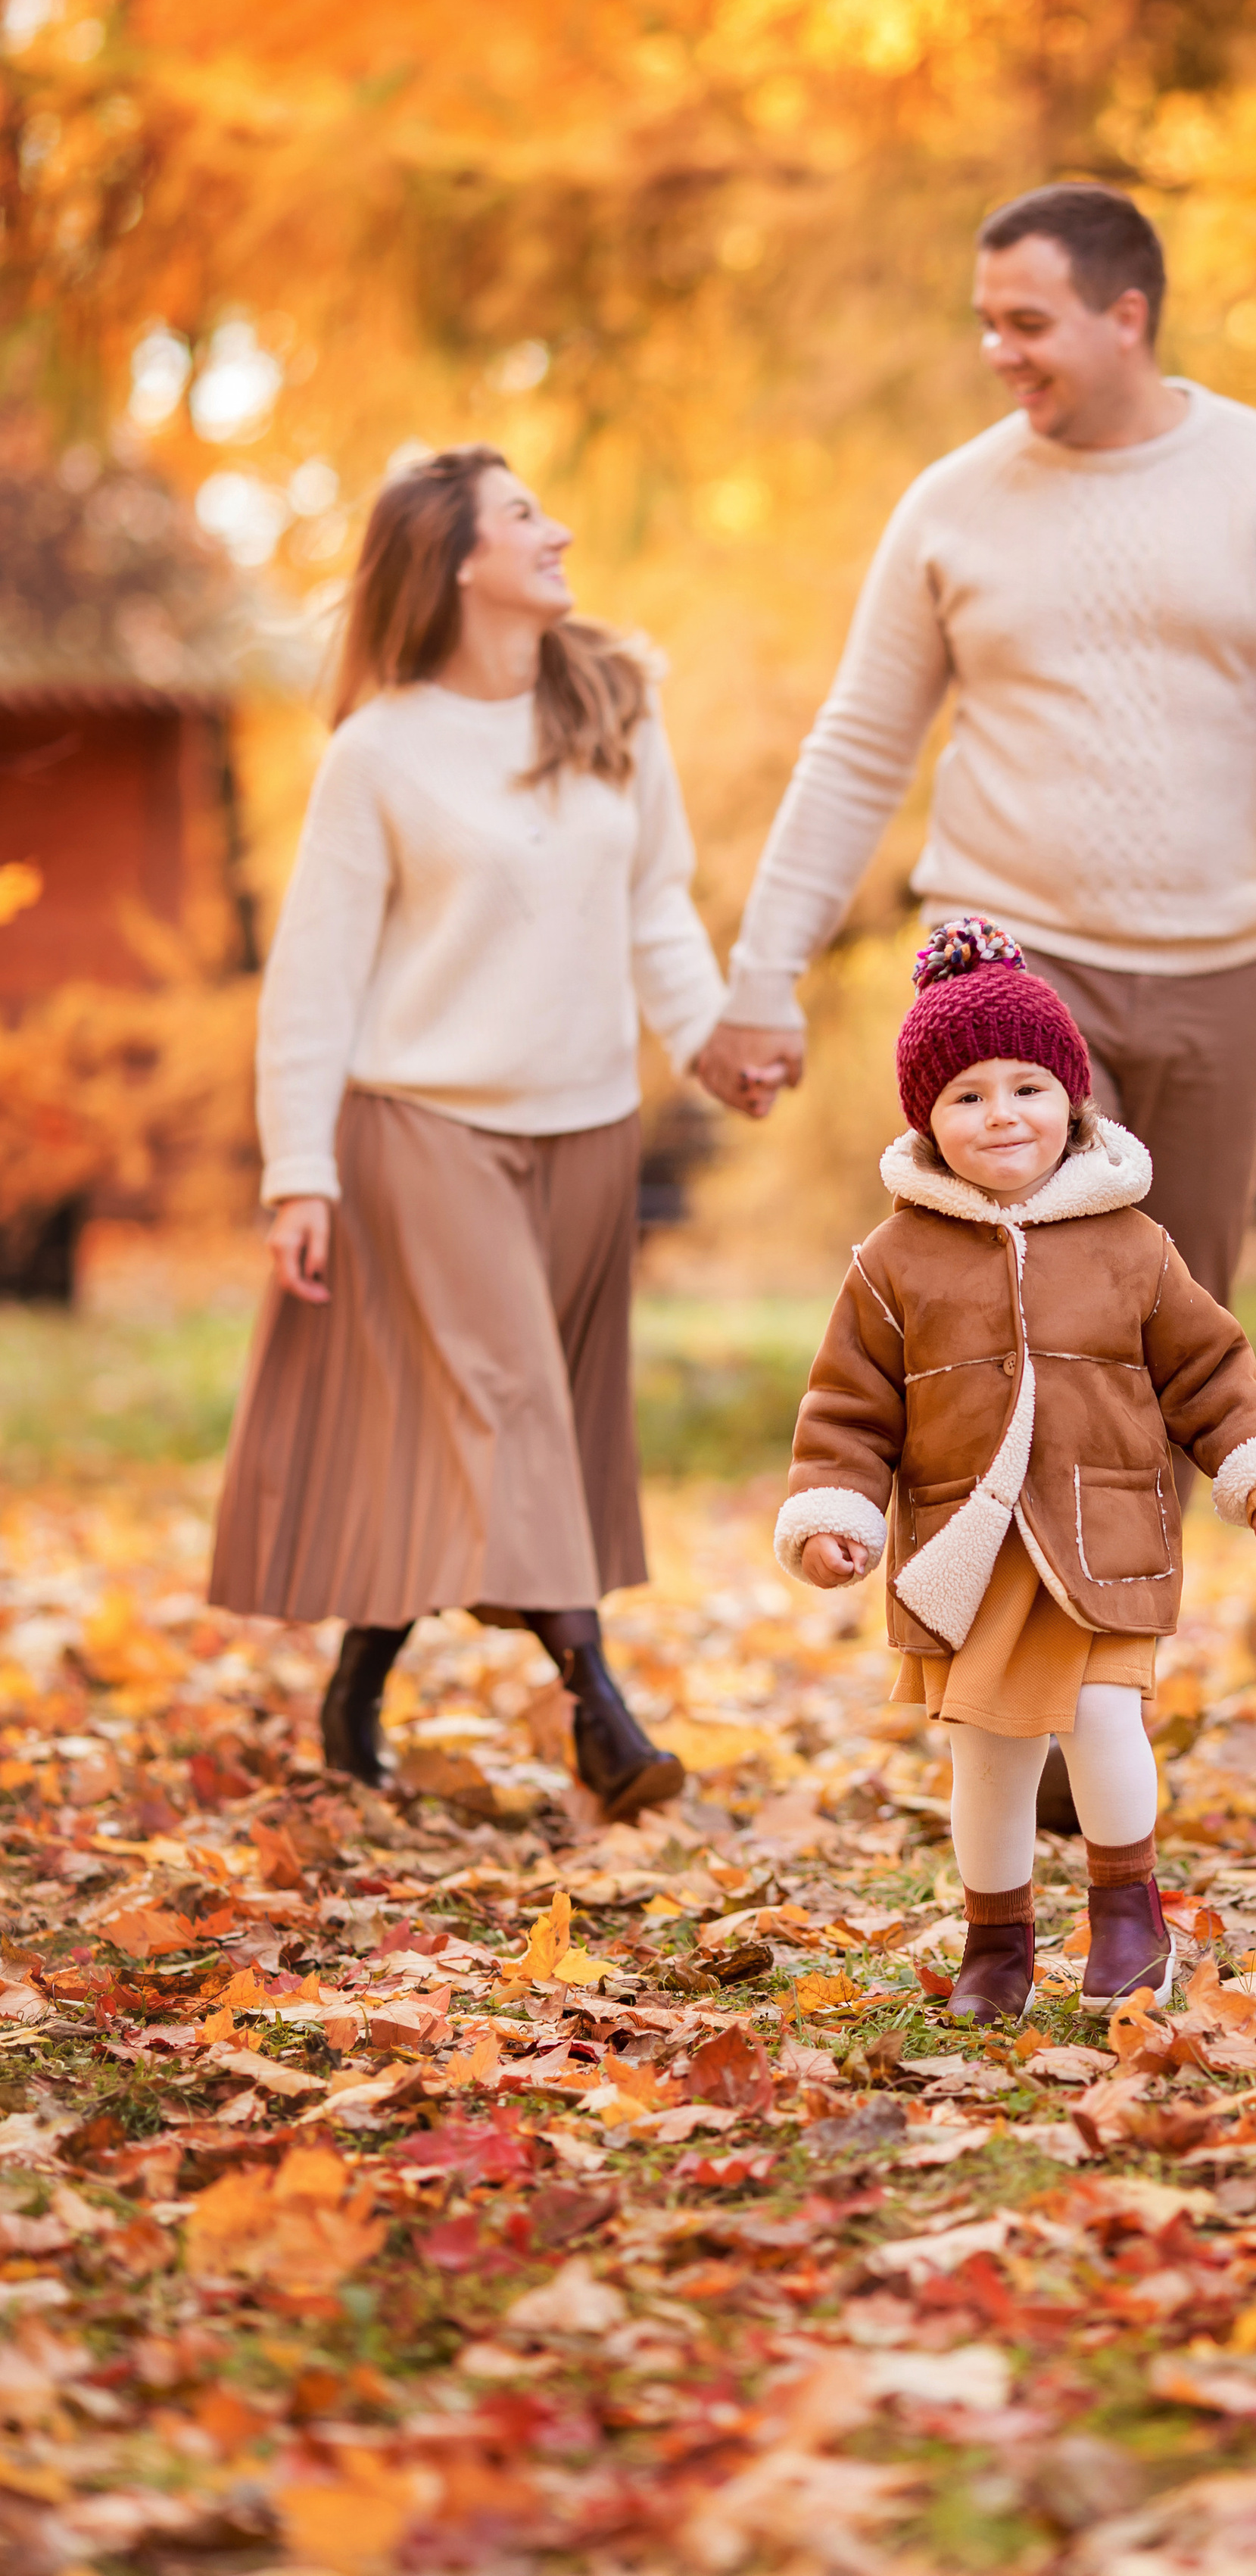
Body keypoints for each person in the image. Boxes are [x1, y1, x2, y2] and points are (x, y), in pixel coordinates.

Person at [696, 180, 1256, 1326]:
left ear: (1125, 316)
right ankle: (981, 1517)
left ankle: (1147, 1520)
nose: (999, 352)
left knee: (1178, 1332)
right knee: (1003, 1318)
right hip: (1011, 963)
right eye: (987, 323)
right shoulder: (953, 505)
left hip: (1219, 976)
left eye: (1027, 325)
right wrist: (763, 974)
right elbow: (856, 752)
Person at [209, 445, 724, 1819]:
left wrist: (714, 1040)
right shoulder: (379, 750)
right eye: (522, 518)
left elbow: (658, 903)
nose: (557, 532)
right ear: (455, 565)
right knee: (508, 1409)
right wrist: (299, 1171)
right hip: (423, 1127)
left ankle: (359, 1678)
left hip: (587, 1129)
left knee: (515, 1432)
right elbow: (314, 977)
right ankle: (600, 1713)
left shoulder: (613, 699)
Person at [774, 918, 1256, 2024]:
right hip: (970, 1556)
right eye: (967, 1096)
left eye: (1026, 1087)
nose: (1001, 1115)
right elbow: (849, 1404)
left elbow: (1207, 1368)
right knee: (990, 1756)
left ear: (1072, 1100)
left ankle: (1129, 1916)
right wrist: (835, 1511)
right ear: (926, 1122)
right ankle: (997, 1939)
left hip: (1103, 1539)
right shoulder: (896, 1262)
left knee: (1106, 1724)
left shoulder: (1130, 1241)